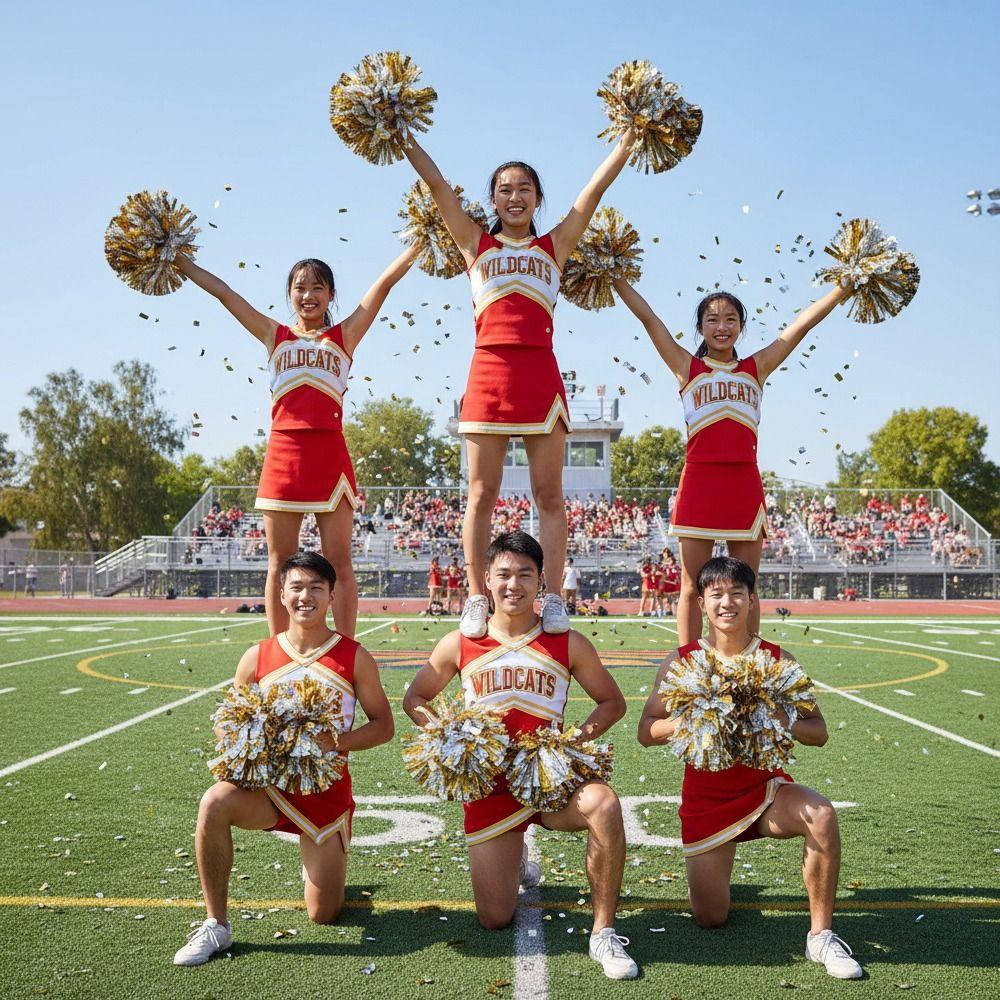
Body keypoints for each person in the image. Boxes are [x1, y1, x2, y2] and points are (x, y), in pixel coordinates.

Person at [402, 127, 637, 639]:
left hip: (540, 377)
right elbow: (438, 186)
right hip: (488, 373)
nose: (514, 197)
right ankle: (475, 597)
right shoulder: (475, 243)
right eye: (505, 189)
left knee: (549, 495)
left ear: (538, 198)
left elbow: (593, 192)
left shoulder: (555, 246)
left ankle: (552, 598)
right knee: (480, 494)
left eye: (524, 189)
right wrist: (403, 135)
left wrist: (628, 140)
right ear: (492, 200)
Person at [403, 531, 639, 980]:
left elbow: (612, 702)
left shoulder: (568, 642)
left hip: (552, 782)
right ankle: (518, 853)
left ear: (541, 581)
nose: (514, 585)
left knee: (605, 804)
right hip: (491, 787)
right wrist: (448, 734)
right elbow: (415, 698)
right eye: (504, 575)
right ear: (487, 580)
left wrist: (573, 741)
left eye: (525, 575)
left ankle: (604, 932)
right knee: (494, 918)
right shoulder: (460, 643)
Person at [173, 245, 418, 638]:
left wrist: (421, 240)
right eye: (300, 288)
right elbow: (225, 293)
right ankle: (277, 650)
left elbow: (383, 284)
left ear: (331, 295)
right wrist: (181, 262)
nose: (308, 295)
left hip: (329, 456)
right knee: (278, 563)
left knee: (339, 563)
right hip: (283, 456)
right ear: (289, 294)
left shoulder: (344, 335)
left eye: (318, 288)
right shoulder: (274, 335)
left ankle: (346, 649)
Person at [637, 556, 863, 980]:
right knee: (711, 917)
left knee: (821, 814)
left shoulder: (777, 659)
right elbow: (646, 731)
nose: (727, 603)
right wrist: (693, 721)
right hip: (707, 800)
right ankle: (719, 872)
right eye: (717, 594)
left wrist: (783, 719)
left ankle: (821, 935)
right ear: (701, 603)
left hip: (766, 792)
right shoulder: (682, 661)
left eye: (737, 593)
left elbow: (818, 732)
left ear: (752, 599)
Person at [173, 552, 394, 966]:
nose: (305, 596)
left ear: (332, 596)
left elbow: (384, 725)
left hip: (325, 795)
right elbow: (227, 722)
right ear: (281, 595)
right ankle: (216, 924)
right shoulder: (257, 657)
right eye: (296, 587)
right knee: (213, 803)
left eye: (316, 588)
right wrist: (245, 745)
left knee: (324, 914)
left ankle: (320, 860)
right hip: (269, 790)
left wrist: (337, 742)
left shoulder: (353, 657)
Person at [613, 278, 852, 643]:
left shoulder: (757, 367)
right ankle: (689, 662)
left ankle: (747, 663)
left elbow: (801, 326)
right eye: (712, 319)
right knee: (692, 585)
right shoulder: (686, 367)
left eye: (730, 319)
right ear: (700, 327)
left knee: (747, 585)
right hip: (699, 482)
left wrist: (842, 289)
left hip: (744, 484)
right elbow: (649, 319)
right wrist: (615, 276)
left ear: (741, 326)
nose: (721, 327)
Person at [660, 549, 680, 617]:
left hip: (672, 582)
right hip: (667, 582)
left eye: (665, 553)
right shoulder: (664, 564)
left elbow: (671, 564)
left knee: (674, 597)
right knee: (666, 597)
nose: (664, 555)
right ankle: (666, 610)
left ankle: (673, 611)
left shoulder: (673, 564)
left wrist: (664, 563)